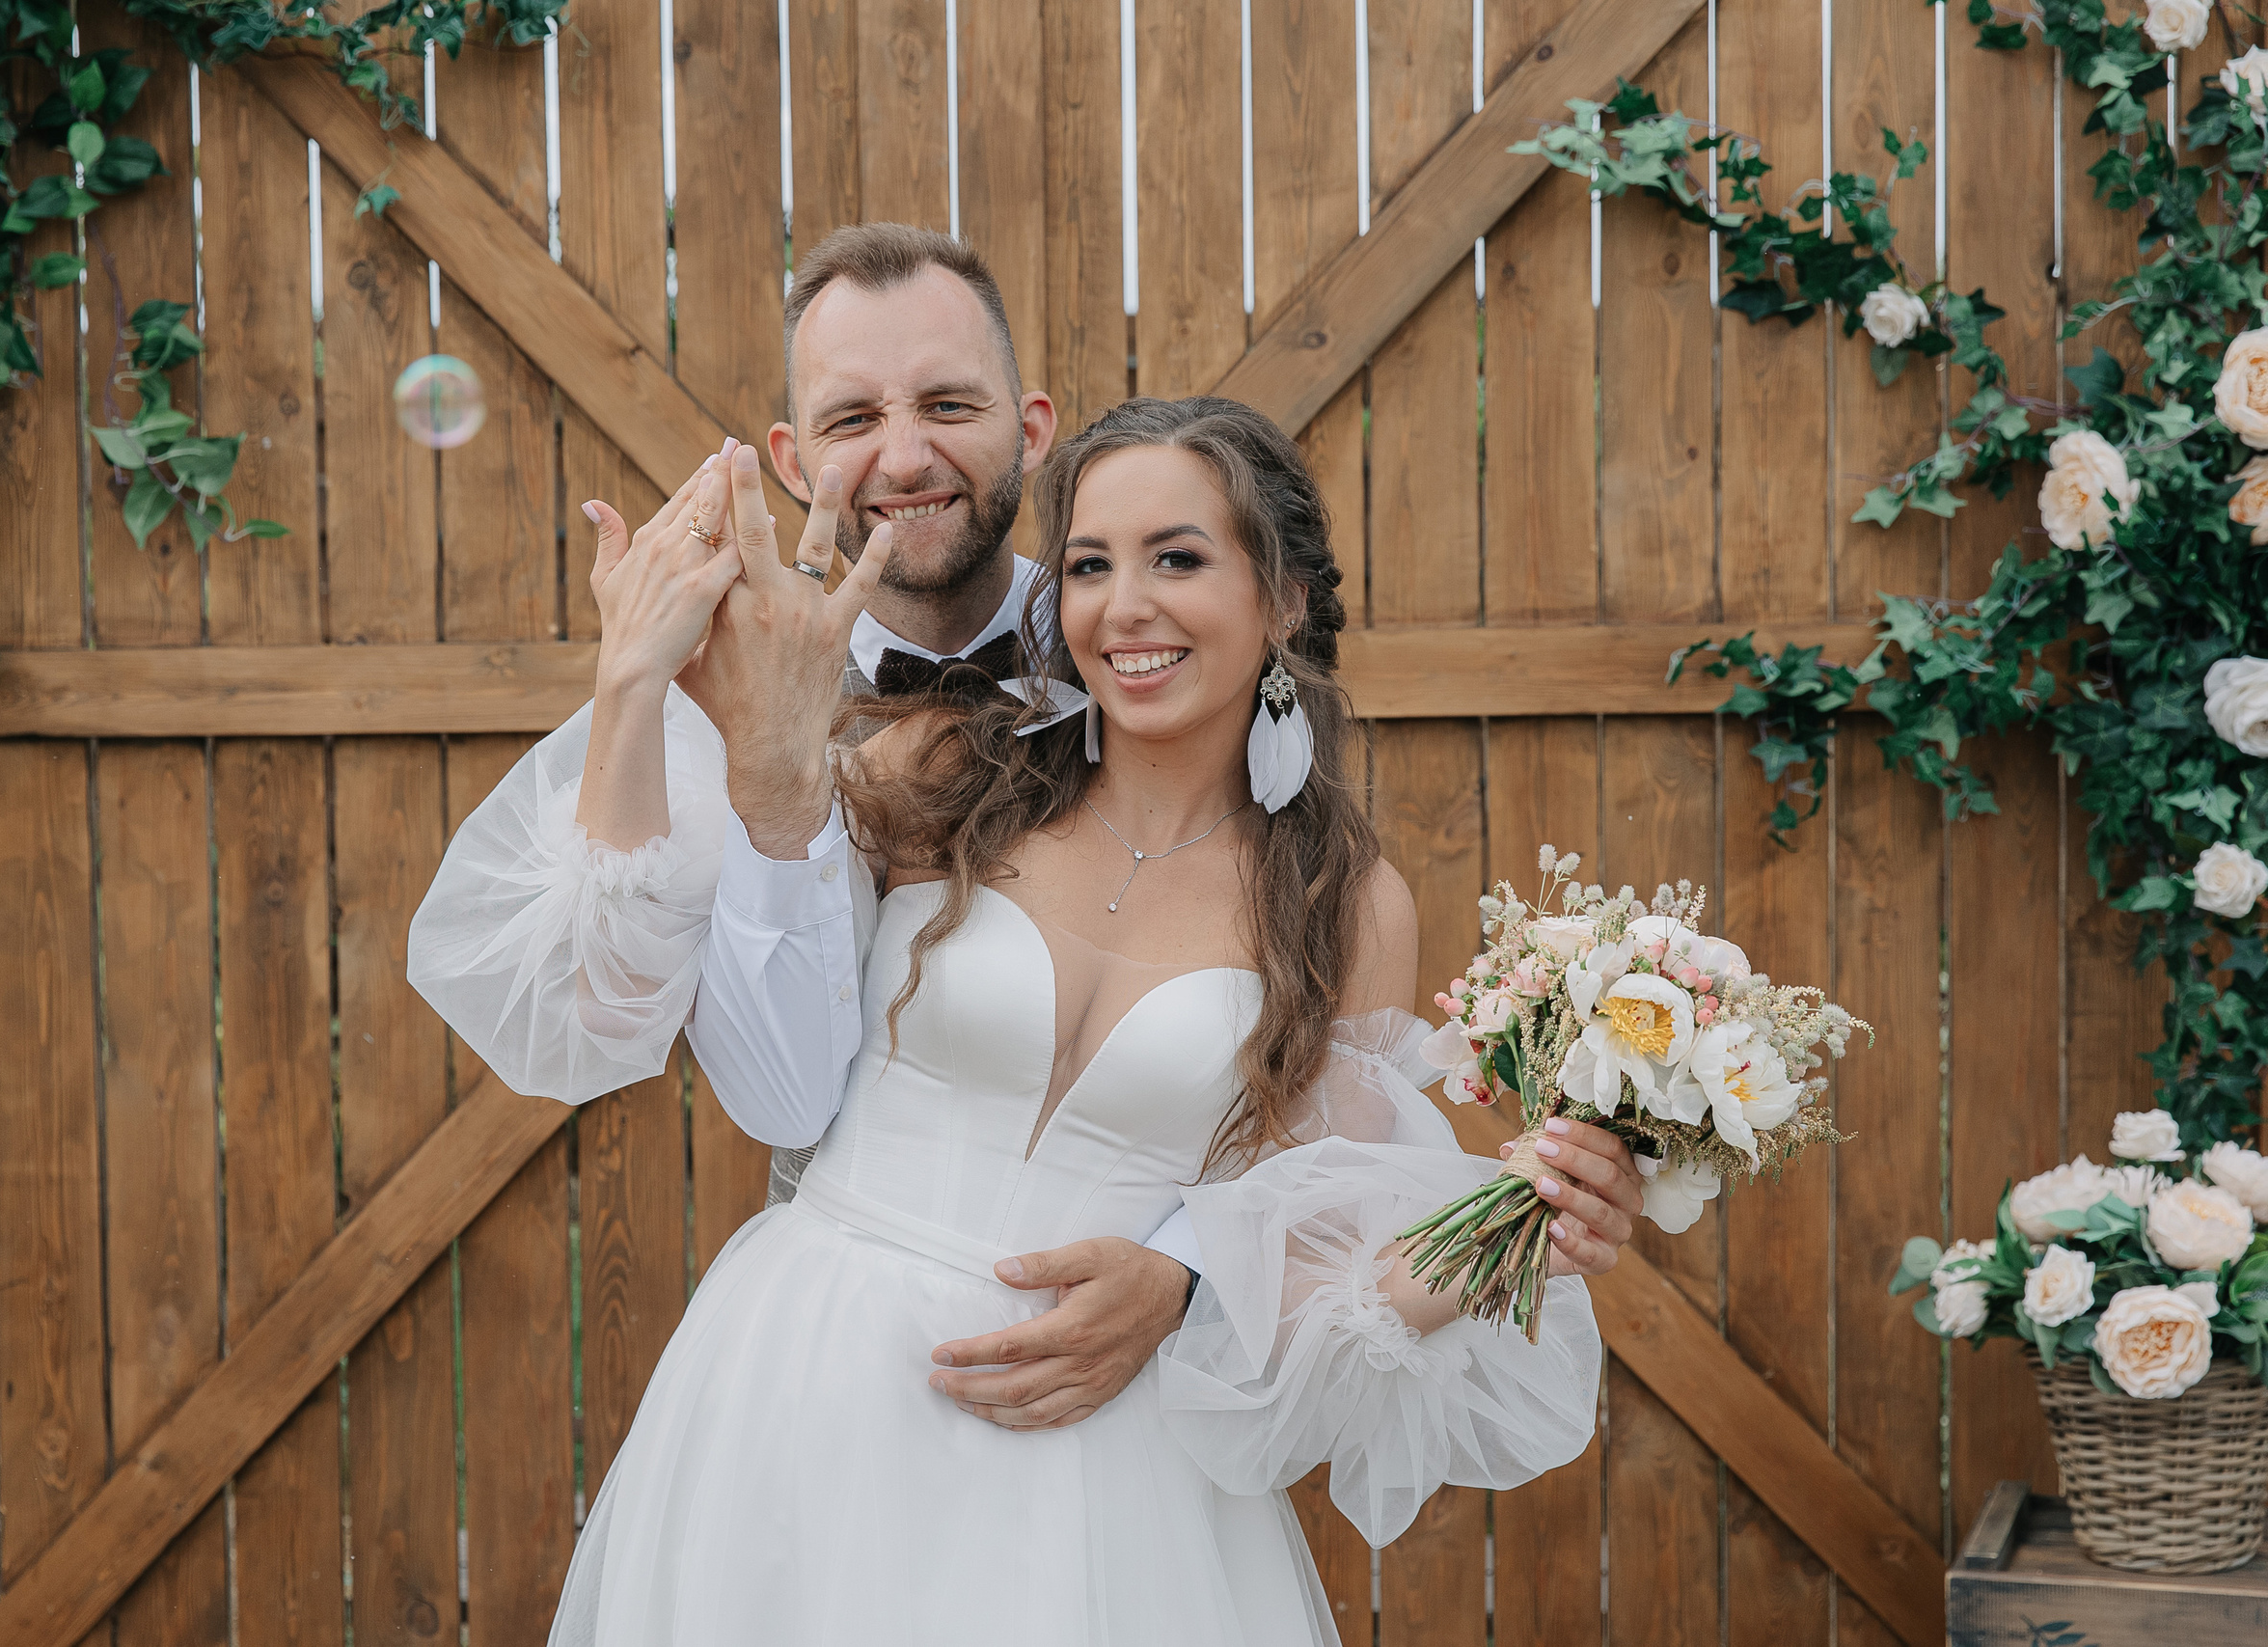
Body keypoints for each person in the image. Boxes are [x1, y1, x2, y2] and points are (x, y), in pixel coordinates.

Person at [411, 226, 1645, 1441]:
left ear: (1031, 428)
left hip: (1097, 1429)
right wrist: (654, 699)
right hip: (811, 1365)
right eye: (853, 420)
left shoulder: (1321, 878)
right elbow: (663, 1032)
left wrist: (1494, 1225)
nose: (1127, 606)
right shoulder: (862, 733)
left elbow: (1313, 1232)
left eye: (947, 402)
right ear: (791, 458)